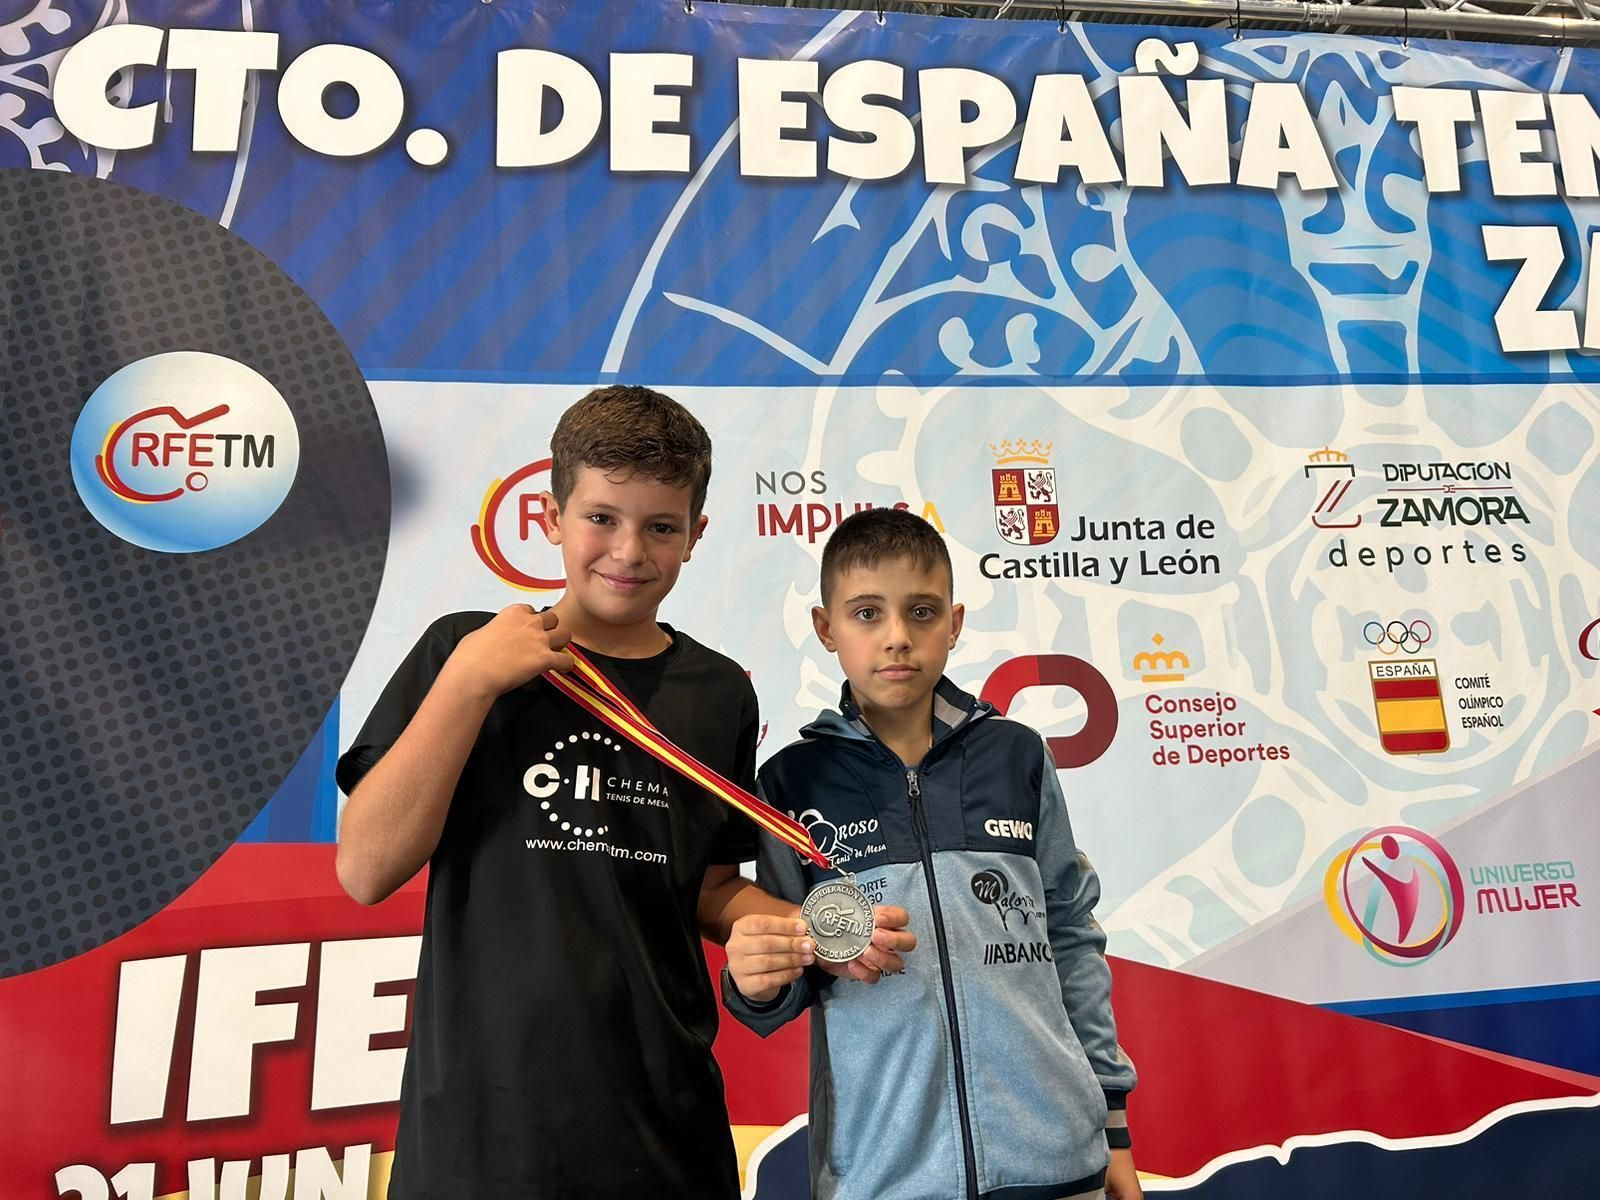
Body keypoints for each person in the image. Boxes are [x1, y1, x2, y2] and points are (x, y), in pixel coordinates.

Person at [334, 386, 910, 1200]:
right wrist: (468, 684)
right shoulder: (461, 653)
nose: (629, 550)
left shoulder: (716, 693)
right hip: (480, 1134)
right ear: (551, 516)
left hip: (663, 1130)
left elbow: (707, 887)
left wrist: (812, 931)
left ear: (695, 536)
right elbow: (365, 869)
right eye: (601, 517)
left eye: (661, 526)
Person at [722, 506, 1142, 1200]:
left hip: (1058, 1162)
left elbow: (1071, 938)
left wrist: (1115, 1128)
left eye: (921, 611)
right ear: (826, 628)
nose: (896, 638)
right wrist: (757, 980)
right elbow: (786, 978)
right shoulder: (789, 783)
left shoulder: (1018, 756)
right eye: (866, 613)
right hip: (882, 1175)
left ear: (954, 621)